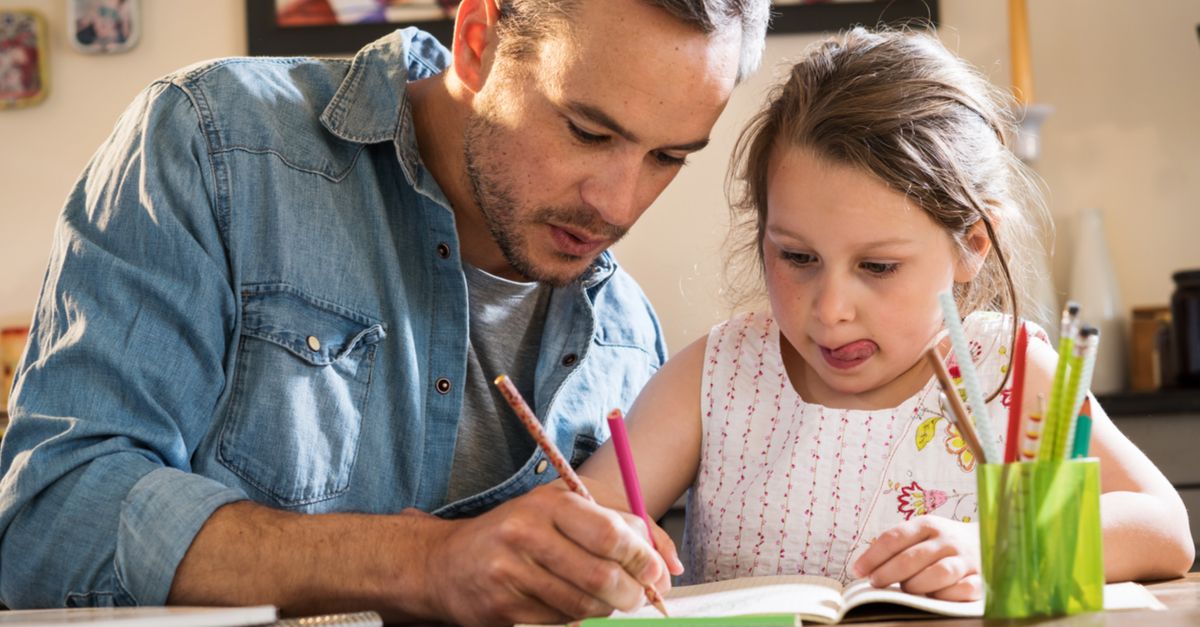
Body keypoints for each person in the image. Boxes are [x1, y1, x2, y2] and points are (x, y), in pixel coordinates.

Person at [0, 0, 769, 624]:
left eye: (669, 157)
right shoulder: (215, 144)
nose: (619, 202)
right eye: (588, 130)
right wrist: (426, 561)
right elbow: (52, 518)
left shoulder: (631, 343)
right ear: (477, 40)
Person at [579, 27, 1195, 600]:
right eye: (797, 257)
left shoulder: (1010, 370)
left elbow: (1164, 529)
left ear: (971, 245)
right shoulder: (714, 376)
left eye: (877, 267)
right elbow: (588, 510)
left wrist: (1003, 549)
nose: (832, 309)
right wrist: (603, 543)